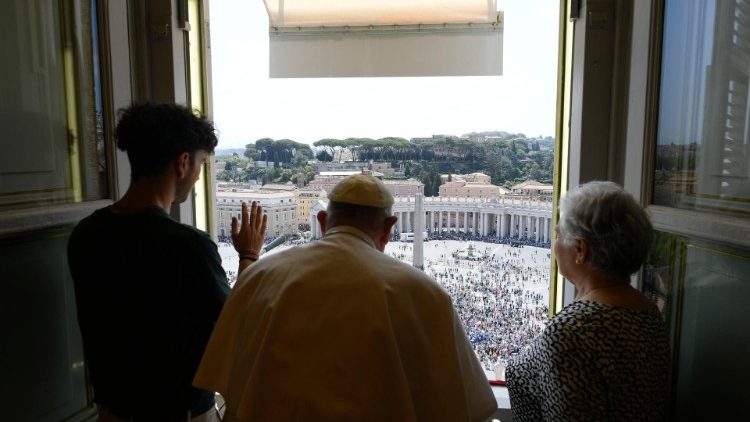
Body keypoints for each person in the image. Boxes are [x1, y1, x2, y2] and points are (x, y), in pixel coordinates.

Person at [193, 174, 497, 422]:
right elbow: (466, 407)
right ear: (390, 228)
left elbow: (225, 378)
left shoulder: (259, 276)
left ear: (324, 221)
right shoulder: (426, 295)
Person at [67, 102, 267, 422]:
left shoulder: (86, 233)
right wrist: (248, 255)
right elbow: (237, 325)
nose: (199, 176)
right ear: (183, 162)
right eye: (201, 163)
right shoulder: (188, 247)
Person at [502, 181, 670, 421]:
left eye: (558, 236)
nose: (555, 246)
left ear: (580, 250)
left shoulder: (571, 331)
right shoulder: (649, 313)